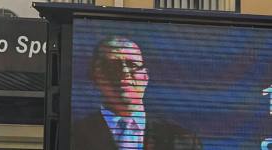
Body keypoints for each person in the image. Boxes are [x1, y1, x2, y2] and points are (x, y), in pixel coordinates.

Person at [73, 36, 203, 150]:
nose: (125, 72)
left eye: (132, 65)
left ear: (145, 77)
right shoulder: (73, 135)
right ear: (96, 76)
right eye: (113, 66)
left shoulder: (181, 140)